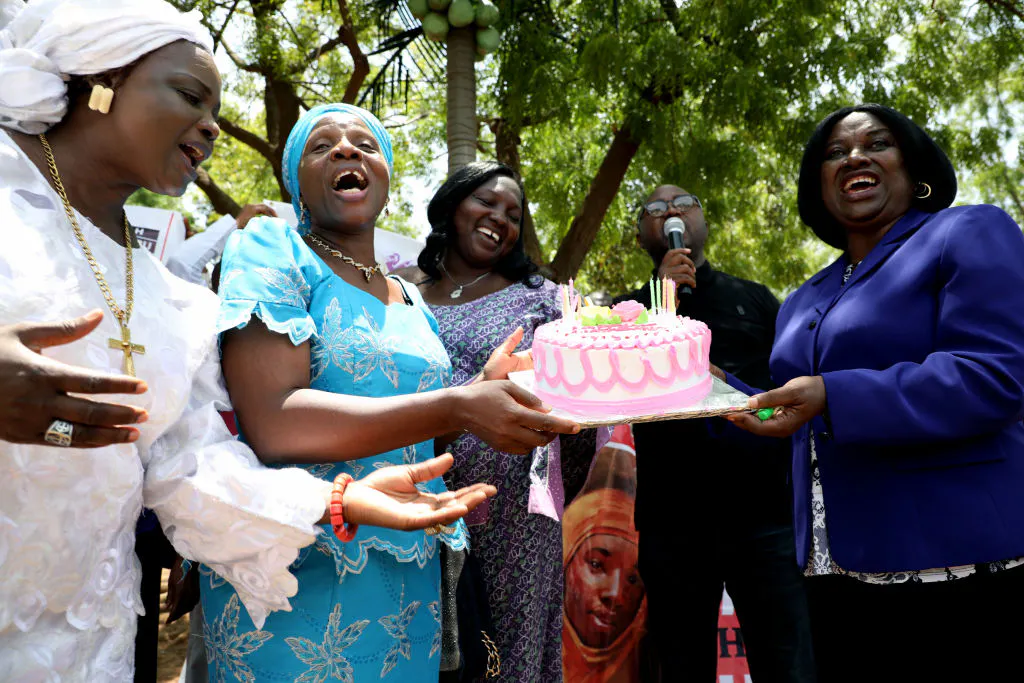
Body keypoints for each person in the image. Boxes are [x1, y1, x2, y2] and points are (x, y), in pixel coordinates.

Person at [0, 3, 496, 680]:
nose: (210, 125)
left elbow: (187, 472)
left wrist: (337, 502)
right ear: (105, 77)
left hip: (90, 649)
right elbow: (273, 418)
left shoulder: (165, 299)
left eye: (216, 107)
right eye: (190, 95)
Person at [200, 107, 579, 682]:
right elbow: (273, 424)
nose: (347, 151)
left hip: (411, 566)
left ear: (386, 175)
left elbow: (420, 433)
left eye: (365, 144)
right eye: (322, 145)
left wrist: (482, 391)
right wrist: (457, 403)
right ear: (294, 180)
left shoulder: (408, 294)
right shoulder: (272, 252)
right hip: (300, 563)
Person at [724, 103, 1024, 680]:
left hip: (956, 560)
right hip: (834, 570)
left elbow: (996, 375)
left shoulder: (966, 230)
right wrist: (692, 383)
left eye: (877, 143)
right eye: (835, 152)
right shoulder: (802, 298)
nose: (855, 155)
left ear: (915, 172)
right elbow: (790, 408)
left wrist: (833, 395)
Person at [396, 160, 596, 682]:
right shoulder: (398, 295)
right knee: (422, 650)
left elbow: (581, 420)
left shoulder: (546, 300)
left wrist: (544, 493)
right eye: (486, 202)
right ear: (451, 205)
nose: (499, 218)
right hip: (409, 503)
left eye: (513, 213)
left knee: (508, 657)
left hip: (515, 520)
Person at [614, 185, 815, 681]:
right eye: (655, 210)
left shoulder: (755, 298)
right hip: (672, 519)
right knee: (681, 665)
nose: (671, 213)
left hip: (762, 513)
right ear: (643, 235)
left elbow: (789, 389)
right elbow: (619, 392)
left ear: (703, 221)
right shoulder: (625, 312)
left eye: (683, 204)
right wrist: (662, 303)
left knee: (788, 662)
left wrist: (736, 390)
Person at [562, 425, 649, 683]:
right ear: (565, 559)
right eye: (597, 564)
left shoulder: (647, 664)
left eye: (634, 579)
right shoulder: (531, 654)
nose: (615, 594)